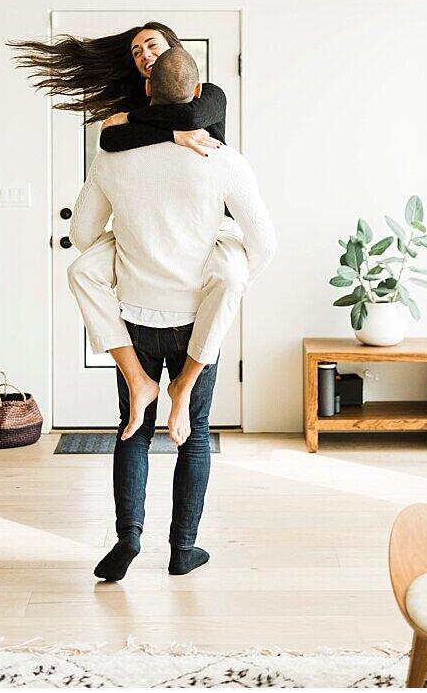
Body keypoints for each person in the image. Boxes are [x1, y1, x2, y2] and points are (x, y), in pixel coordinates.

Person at [67, 48, 276, 581]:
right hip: (195, 322)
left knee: (132, 430)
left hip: (134, 320)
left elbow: (82, 236)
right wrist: (229, 269)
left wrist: (125, 238)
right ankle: (183, 549)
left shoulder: (112, 157)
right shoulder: (224, 159)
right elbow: (266, 243)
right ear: (199, 94)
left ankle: (127, 539)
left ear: (146, 95)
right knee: (196, 434)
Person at [9, 21, 246, 444]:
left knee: (231, 277)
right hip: (140, 234)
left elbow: (190, 115)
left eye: (151, 45)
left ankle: (180, 389)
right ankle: (139, 381)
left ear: (174, 49)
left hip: (207, 230)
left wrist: (136, 120)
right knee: (81, 271)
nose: (144, 55)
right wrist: (167, 131)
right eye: (136, 52)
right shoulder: (134, 103)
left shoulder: (207, 93)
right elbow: (112, 143)